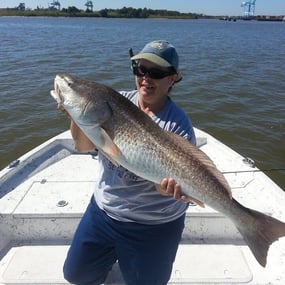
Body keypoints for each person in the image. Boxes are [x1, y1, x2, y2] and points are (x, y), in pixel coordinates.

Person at [62, 40, 196, 285]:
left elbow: (166, 187)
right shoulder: (115, 102)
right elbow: (83, 146)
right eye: (140, 70)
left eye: (156, 73)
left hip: (153, 225)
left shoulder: (177, 126)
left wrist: (171, 190)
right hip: (104, 211)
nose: (146, 78)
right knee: (75, 274)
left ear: (173, 79)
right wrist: (76, 116)